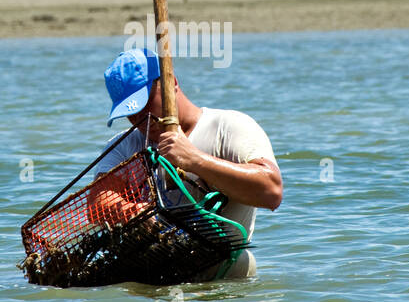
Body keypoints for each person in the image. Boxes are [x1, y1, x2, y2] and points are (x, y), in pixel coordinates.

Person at [95, 47, 282, 279]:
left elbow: (271, 192)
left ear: (171, 82)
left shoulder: (229, 127)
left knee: (243, 262)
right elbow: (98, 201)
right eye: (129, 113)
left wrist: (195, 160)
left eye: (144, 105)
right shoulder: (124, 146)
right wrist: (133, 212)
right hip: (156, 272)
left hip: (221, 273)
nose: (139, 119)